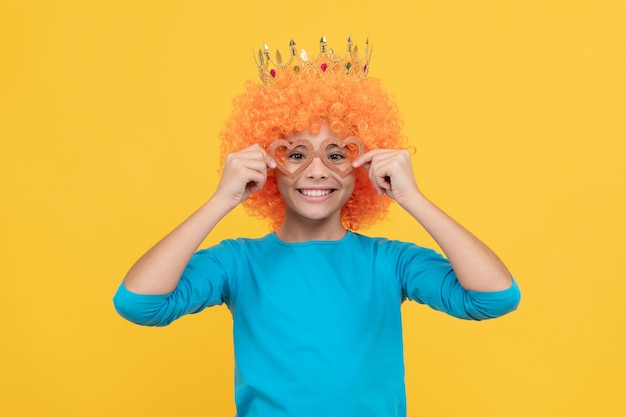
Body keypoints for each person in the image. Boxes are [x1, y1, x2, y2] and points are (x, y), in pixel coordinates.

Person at [113, 36, 521, 417]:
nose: (316, 171)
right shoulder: (237, 263)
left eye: (337, 154)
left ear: (362, 166)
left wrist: (411, 197)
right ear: (269, 163)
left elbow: (495, 298)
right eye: (295, 153)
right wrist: (223, 199)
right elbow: (139, 303)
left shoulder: (390, 262)